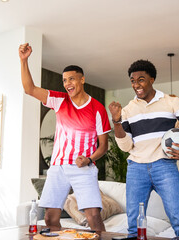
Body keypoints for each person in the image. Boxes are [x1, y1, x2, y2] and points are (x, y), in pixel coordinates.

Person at [19, 43, 111, 231]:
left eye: (72, 79)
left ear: (82, 79)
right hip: (58, 167)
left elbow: (103, 146)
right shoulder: (60, 100)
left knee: (93, 216)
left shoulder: (97, 109)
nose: (67, 83)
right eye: (64, 80)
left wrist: (89, 159)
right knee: (50, 218)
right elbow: (29, 89)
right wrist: (24, 60)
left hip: (83, 168)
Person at [108, 59, 179, 240]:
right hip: (136, 167)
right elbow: (126, 146)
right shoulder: (128, 110)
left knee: (178, 216)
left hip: (164, 165)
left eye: (141, 79)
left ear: (152, 79)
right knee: (134, 225)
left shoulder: (171, 102)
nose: (136, 85)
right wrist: (116, 121)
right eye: (133, 81)